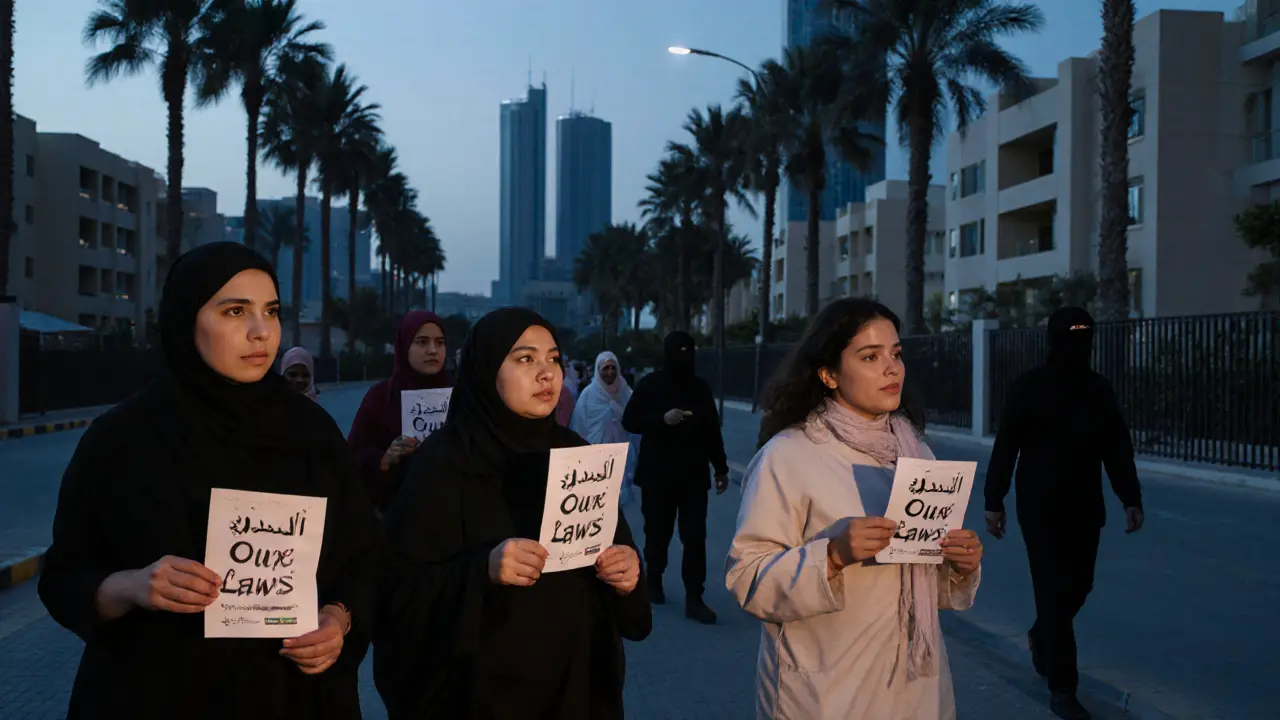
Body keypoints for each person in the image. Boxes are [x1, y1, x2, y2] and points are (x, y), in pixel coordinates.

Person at [38, 242, 380, 718]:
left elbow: (361, 558)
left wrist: (338, 620)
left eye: (272, 311)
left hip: (293, 697)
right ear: (186, 320)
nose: (261, 332)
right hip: (155, 695)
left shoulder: (312, 434)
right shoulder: (123, 438)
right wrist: (133, 585)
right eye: (235, 311)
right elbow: (61, 579)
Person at [373, 307, 651, 720]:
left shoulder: (578, 455)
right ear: (487, 370)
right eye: (525, 359)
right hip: (475, 698)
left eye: (553, 358)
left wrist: (629, 575)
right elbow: (397, 595)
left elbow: (620, 565)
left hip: (574, 692)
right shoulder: (442, 464)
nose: (547, 373)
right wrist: (482, 569)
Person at [725, 298, 982, 720]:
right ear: (828, 374)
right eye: (870, 356)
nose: (892, 368)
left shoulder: (918, 453)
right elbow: (745, 577)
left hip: (914, 688)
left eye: (896, 354)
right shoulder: (789, 455)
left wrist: (960, 564)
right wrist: (831, 556)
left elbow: (929, 589)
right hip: (826, 693)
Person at [984, 305, 1143, 720]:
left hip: (1085, 506)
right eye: (1072, 334)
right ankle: (1063, 689)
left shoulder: (1098, 390)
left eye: (1085, 334)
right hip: (1038, 507)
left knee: (1080, 585)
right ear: (1055, 338)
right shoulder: (1028, 388)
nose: (1079, 343)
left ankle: (1042, 634)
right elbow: (1006, 447)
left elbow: (1117, 448)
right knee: (1053, 593)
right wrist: (993, 499)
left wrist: (1130, 497)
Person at [623, 331, 728, 624]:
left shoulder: (700, 388)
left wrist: (721, 468)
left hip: (693, 477)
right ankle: (653, 580)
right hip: (657, 476)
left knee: (694, 538)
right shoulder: (650, 385)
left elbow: (712, 430)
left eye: (689, 351)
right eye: (679, 352)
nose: (685, 357)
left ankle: (694, 597)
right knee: (657, 534)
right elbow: (629, 420)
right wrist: (662, 419)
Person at [347, 310, 452, 512]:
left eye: (440, 342)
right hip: (396, 516)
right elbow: (352, 457)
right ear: (404, 347)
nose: (433, 350)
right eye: (422, 342)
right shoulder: (381, 397)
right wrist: (384, 460)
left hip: (453, 515)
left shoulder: (461, 395)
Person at [570, 351, 638, 504]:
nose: (610, 372)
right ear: (598, 370)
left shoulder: (626, 393)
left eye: (613, 367)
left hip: (622, 456)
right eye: (605, 368)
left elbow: (636, 423)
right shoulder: (588, 395)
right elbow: (579, 428)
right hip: (595, 458)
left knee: (618, 502)